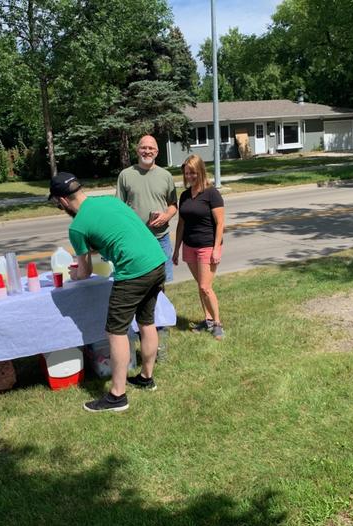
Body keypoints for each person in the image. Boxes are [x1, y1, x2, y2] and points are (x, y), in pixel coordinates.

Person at [49, 172, 166, 412]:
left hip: (134, 271)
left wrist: (72, 274)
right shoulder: (108, 200)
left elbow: (84, 272)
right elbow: (119, 231)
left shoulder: (77, 227)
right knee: (146, 322)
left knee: (115, 331)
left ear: (62, 201)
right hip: (156, 261)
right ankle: (146, 378)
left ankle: (117, 396)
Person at [172, 154, 226, 340]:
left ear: (201, 171)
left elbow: (220, 223)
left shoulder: (211, 193)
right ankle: (208, 319)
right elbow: (181, 224)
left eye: (193, 173)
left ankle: (217, 323)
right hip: (189, 246)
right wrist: (176, 249)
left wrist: (216, 248)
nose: (189, 176)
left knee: (205, 287)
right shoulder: (185, 195)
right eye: (187, 173)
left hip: (207, 246)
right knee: (200, 285)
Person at [116, 135, 177, 282]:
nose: (147, 151)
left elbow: (173, 205)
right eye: (143, 147)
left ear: (156, 152)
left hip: (161, 238)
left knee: (162, 282)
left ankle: (159, 306)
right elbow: (119, 209)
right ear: (137, 150)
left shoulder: (166, 176)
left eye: (151, 148)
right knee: (138, 282)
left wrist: (166, 216)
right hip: (135, 240)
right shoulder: (125, 175)